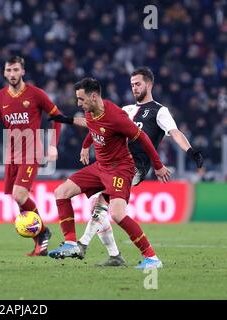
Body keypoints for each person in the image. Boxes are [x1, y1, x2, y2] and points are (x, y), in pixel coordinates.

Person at [51, 67, 204, 266]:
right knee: (81, 199)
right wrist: (85, 144)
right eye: (131, 84)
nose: (134, 88)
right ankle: (107, 254)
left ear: (149, 84)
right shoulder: (125, 110)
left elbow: (174, 133)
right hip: (105, 164)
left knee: (110, 210)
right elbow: (97, 124)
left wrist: (191, 152)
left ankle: (87, 246)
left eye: (138, 84)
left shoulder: (159, 110)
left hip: (131, 166)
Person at [0, 56, 63, 256]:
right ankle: (40, 243)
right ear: (4, 73)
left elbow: (58, 118)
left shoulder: (36, 94)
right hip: (11, 155)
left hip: (31, 152)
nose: (12, 74)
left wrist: (53, 145)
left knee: (19, 195)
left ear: (23, 72)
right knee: (20, 200)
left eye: (16, 70)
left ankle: (44, 231)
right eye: (9, 70)